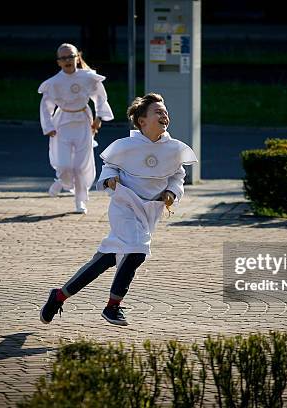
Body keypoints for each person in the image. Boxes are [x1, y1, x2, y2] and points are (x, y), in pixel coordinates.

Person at [40, 93, 197, 326]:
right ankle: (113, 307)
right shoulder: (125, 146)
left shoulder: (174, 149)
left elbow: (177, 176)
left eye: (165, 112)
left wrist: (172, 193)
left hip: (149, 211)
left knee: (107, 259)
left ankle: (59, 295)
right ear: (142, 121)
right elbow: (110, 166)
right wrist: (111, 178)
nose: (164, 115)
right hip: (124, 205)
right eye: (158, 111)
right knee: (138, 251)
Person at [38, 43, 114, 214]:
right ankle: (62, 181)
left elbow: (100, 97)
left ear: (77, 57)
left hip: (84, 123)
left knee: (80, 167)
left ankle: (80, 201)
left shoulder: (88, 77)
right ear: (58, 62)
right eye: (63, 58)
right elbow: (46, 106)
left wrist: (99, 117)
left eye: (70, 56)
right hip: (62, 124)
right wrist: (48, 126)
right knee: (64, 165)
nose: (67, 60)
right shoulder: (54, 83)